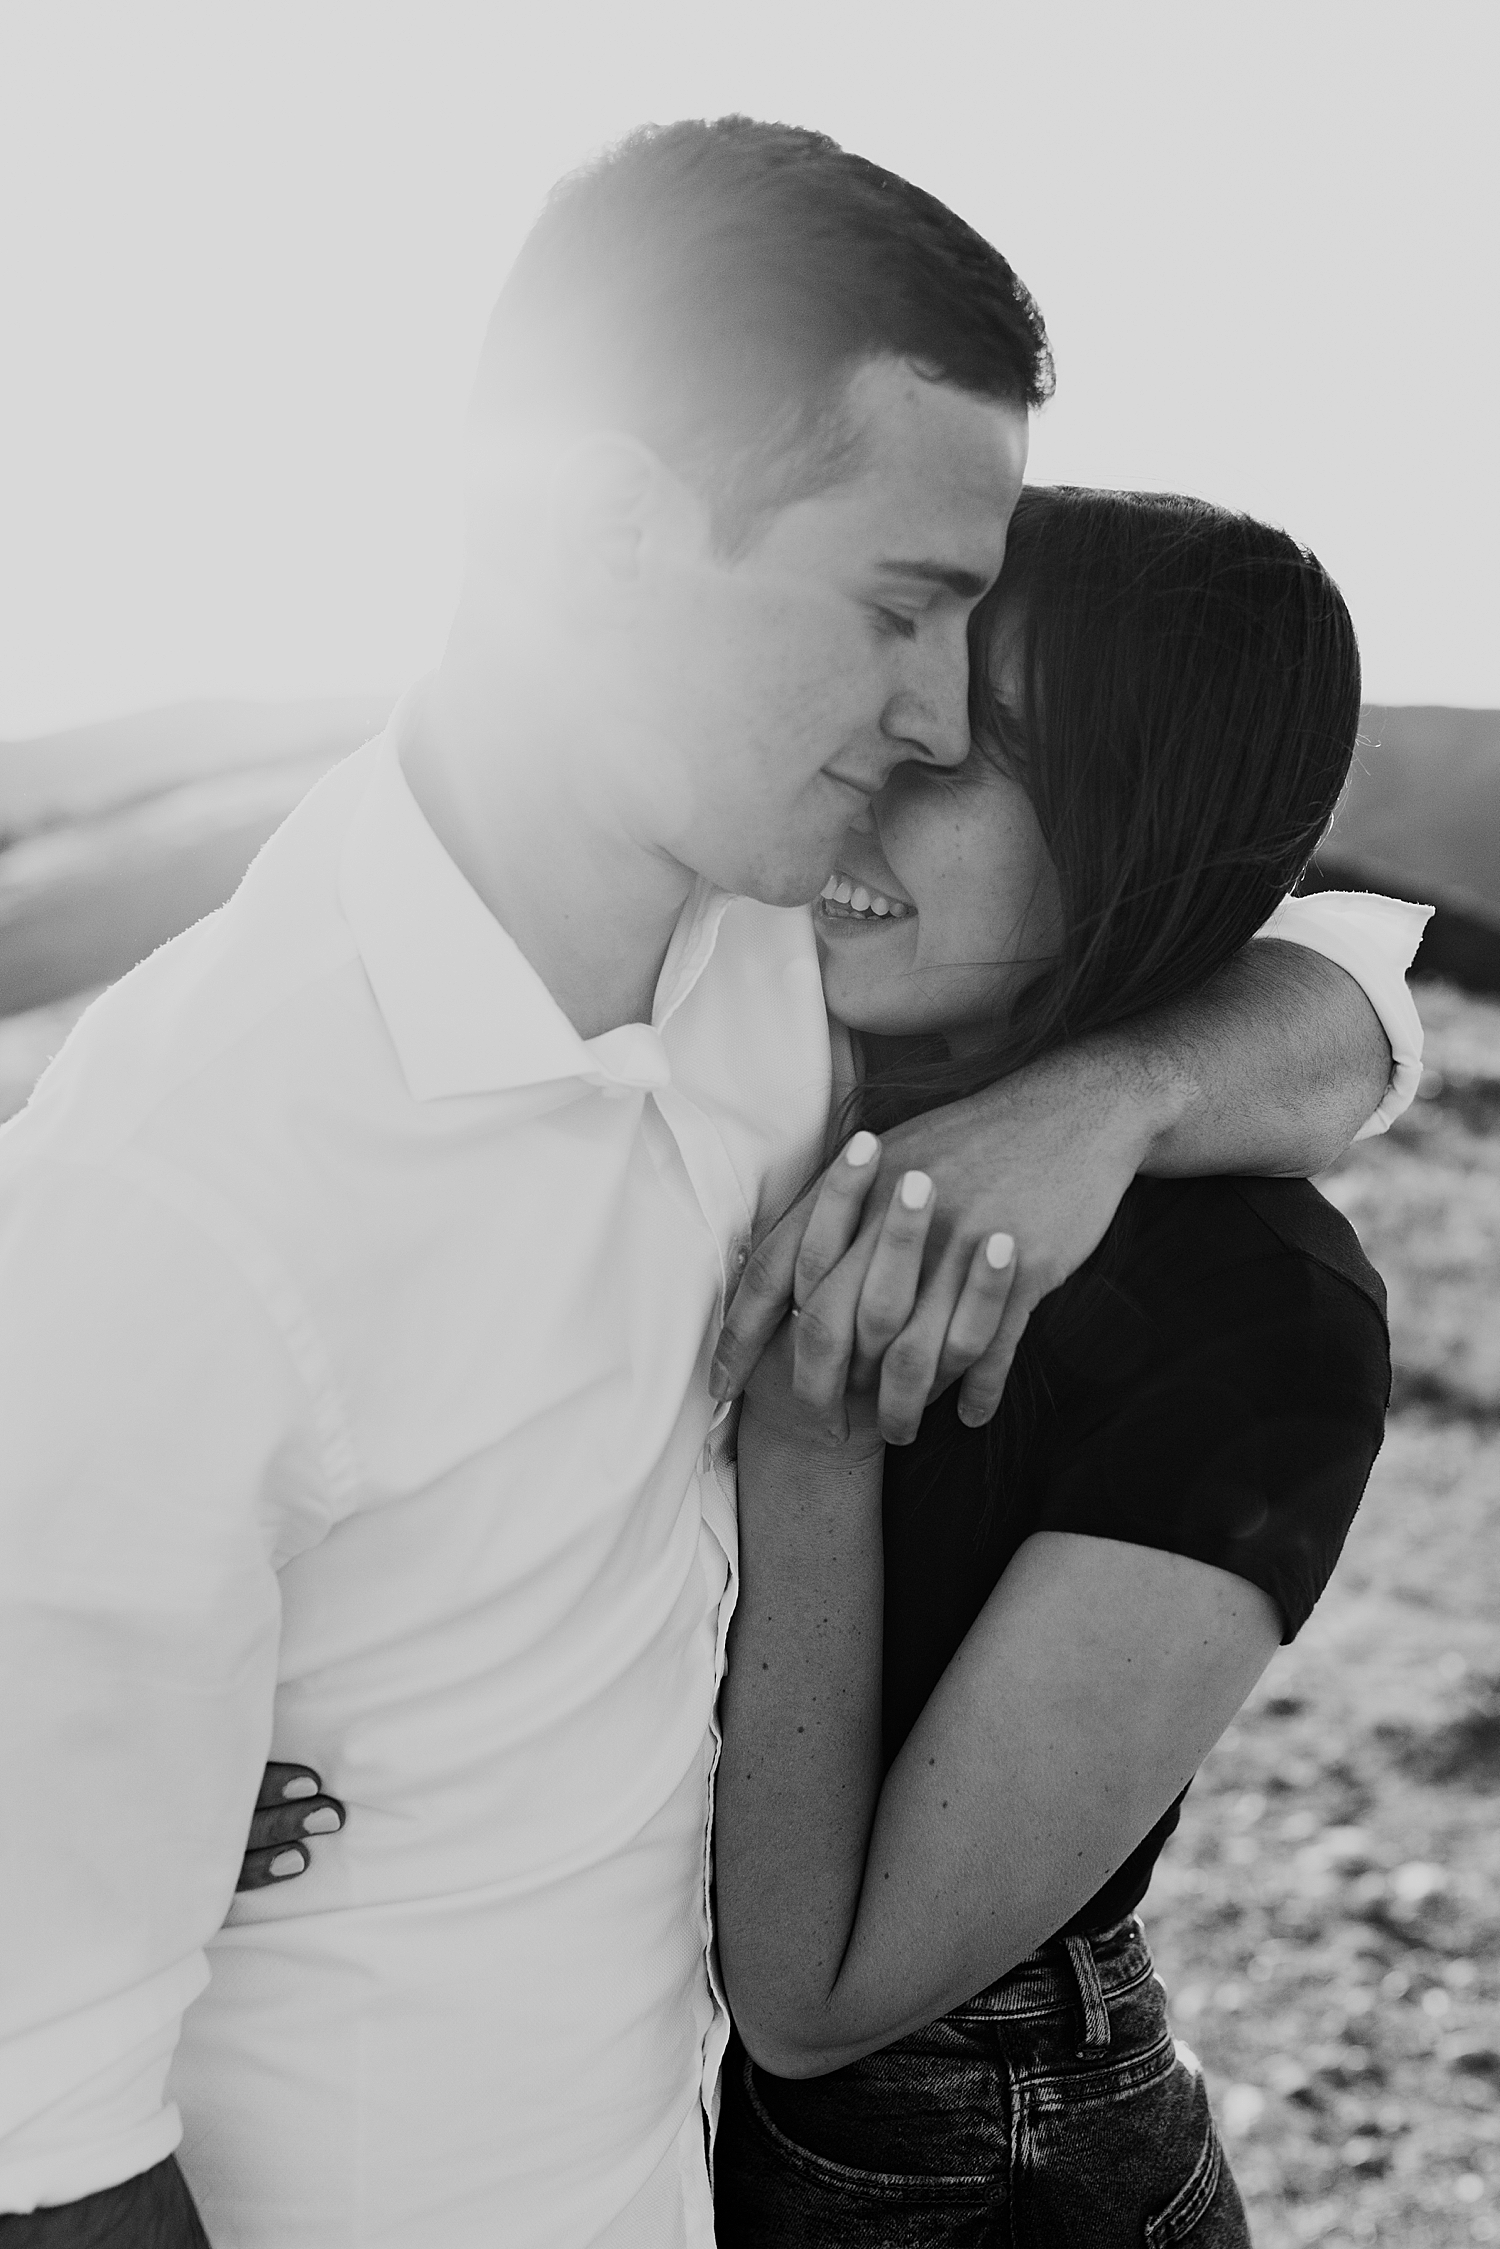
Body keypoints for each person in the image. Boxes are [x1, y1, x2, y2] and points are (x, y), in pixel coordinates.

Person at [0, 120, 1421, 2248]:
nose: (926, 721)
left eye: (970, 655)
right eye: (899, 612)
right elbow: (45, 2120)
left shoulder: (767, 962)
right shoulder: (187, 1196)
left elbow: (1342, 978)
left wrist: (1115, 1095)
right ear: (601, 533)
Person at [710, 486, 1398, 2243]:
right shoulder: (773, 1019)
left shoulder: (1261, 1318)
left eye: (972, 745)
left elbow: (822, 1994)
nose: (880, 759)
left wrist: (812, 1443)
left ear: (1134, 826)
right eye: (891, 682)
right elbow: (1350, 992)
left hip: (949, 2153)